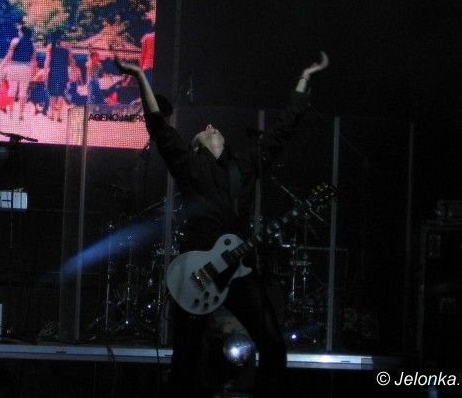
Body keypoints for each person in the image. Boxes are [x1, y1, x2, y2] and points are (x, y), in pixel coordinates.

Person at [114, 52, 329, 397]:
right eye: (203, 130)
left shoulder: (244, 165)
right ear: (196, 145)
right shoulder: (187, 163)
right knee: (186, 358)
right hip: (197, 269)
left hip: (238, 267)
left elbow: (284, 128)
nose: (210, 127)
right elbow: (157, 124)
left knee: (273, 344)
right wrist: (140, 75)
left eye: (214, 128)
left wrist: (304, 78)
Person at [1, 23, 36, 121]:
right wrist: (33, 72)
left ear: (21, 32)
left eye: (19, 31)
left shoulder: (15, 41)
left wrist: (2, 66)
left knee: (12, 90)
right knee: (23, 92)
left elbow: (9, 56)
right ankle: (21, 114)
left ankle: (11, 113)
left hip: (14, 67)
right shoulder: (32, 44)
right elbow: (34, 59)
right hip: (26, 68)